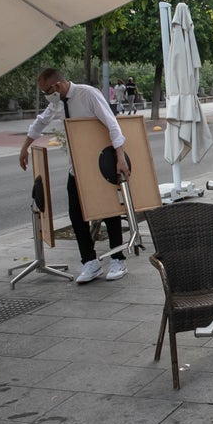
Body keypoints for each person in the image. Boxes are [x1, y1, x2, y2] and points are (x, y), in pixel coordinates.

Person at [18, 68, 130, 283]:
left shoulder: (87, 95)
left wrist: (120, 157)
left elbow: (112, 124)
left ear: (57, 86)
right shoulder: (57, 102)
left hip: (97, 165)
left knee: (109, 211)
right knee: (76, 216)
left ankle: (118, 258)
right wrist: (25, 148)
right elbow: (40, 122)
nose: (46, 97)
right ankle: (90, 262)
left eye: (46, 91)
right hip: (76, 168)